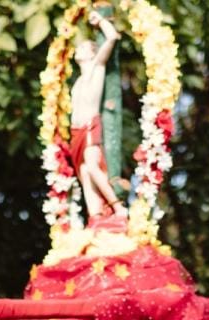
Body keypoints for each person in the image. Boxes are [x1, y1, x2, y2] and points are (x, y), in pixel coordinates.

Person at [70, 10, 126, 221]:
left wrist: (101, 20)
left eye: (83, 47)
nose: (78, 49)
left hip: (89, 126)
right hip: (76, 131)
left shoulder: (96, 67)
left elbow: (111, 37)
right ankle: (95, 216)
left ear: (92, 54)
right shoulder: (78, 81)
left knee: (92, 166)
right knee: (84, 171)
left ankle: (118, 207)